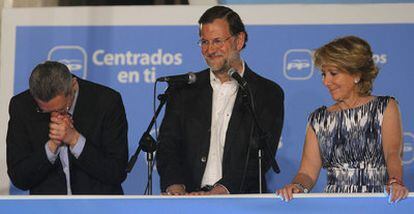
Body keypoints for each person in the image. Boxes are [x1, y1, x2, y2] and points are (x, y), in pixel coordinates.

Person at [156, 5, 284, 195]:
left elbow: (261, 156)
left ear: (239, 40)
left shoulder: (267, 93)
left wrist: (223, 189)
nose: (210, 49)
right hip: (190, 201)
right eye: (204, 42)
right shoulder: (183, 90)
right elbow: (168, 147)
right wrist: (174, 184)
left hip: (241, 202)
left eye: (217, 41)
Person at [277, 36, 409, 202]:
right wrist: (298, 186)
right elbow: (307, 172)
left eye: (333, 73)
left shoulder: (385, 107)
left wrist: (395, 182)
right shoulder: (319, 119)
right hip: (335, 205)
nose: (326, 81)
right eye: (323, 74)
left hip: (378, 203)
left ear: (356, 74)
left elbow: (393, 153)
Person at [6, 61, 128, 194]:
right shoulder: (22, 106)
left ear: (73, 86)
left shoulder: (106, 102)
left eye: (62, 109)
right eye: (45, 112)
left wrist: (75, 139)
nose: (55, 115)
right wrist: (52, 147)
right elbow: (19, 178)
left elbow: (116, 172)